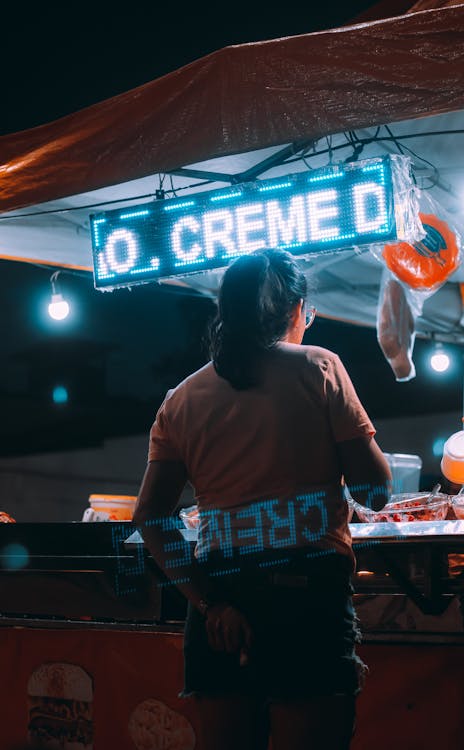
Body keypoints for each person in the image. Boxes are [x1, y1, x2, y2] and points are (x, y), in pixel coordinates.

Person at [133, 248, 392, 750]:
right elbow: (375, 493)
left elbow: (151, 518)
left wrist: (210, 605)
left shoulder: (181, 397)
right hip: (304, 599)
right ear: (297, 308)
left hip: (217, 603)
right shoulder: (319, 367)